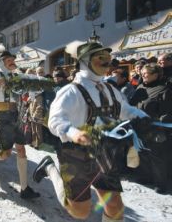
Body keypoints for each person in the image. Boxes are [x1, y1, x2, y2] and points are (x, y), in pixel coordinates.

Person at [32, 40, 148, 221]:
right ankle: (49, 167)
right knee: (80, 211)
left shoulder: (111, 89)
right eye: (100, 58)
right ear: (85, 61)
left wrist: (141, 116)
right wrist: (73, 132)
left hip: (106, 153)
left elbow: (125, 109)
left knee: (115, 206)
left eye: (108, 57)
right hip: (76, 156)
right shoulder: (71, 91)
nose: (106, 62)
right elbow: (55, 120)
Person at [0, 44, 41, 199]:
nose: (12, 61)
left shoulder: (17, 75)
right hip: (2, 115)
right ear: (1, 63)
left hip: (17, 114)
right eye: (9, 60)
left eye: (13, 59)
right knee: (5, 154)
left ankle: (24, 189)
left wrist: (32, 92)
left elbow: (31, 89)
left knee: (21, 150)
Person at [129, 63, 172, 194]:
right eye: (142, 73)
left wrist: (155, 121)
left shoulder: (164, 90)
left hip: (156, 130)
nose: (142, 75)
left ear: (156, 74)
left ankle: (161, 184)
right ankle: (146, 177)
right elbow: (132, 104)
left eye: (145, 73)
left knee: (158, 158)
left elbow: (167, 113)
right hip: (139, 128)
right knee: (142, 154)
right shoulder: (140, 87)